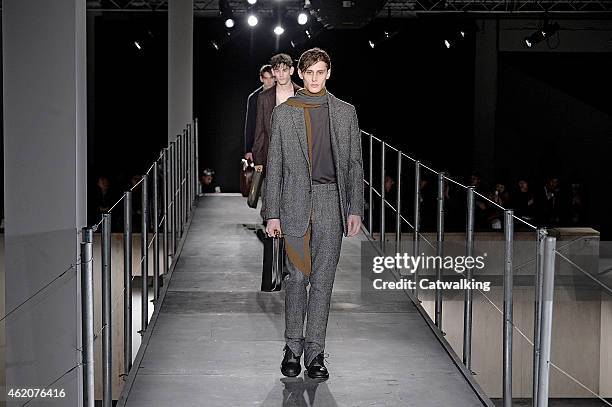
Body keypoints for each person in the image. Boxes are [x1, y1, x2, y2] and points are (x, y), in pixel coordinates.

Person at [263, 47, 364, 380]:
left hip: (331, 202)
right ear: (300, 75)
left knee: (323, 282)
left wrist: (354, 208)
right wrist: (271, 213)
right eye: (309, 72)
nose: (315, 78)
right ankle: (292, 349)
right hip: (293, 203)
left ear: (329, 73)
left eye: (321, 72)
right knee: (297, 279)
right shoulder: (284, 113)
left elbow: (353, 165)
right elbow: (274, 166)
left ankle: (315, 354)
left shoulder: (345, 113)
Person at [252, 53, 301, 170]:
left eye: (284, 70)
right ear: (273, 73)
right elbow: (260, 129)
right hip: (273, 155)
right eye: (277, 70)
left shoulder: (302, 94)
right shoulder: (264, 97)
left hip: (298, 155)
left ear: (291, 70)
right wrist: (258, 159)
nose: (281, 74)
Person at [243, 65, 275, 161]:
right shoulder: (254, 98)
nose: (269, 81)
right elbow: (250, 123)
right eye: (266, 78)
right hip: (260, 145)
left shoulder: (282, 94)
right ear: (261, 78)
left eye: (272, 78)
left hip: (278, 144)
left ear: (275, 78)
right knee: (259, 174)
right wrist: (248, 149)